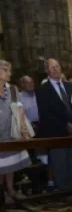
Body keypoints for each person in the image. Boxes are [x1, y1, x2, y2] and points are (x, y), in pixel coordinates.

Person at [37, 59, 72, 191]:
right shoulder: (43, 90)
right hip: (56, 132)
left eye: (57, 66)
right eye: (52, 68)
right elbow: (46, 114)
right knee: (60, 163)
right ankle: (63, 191)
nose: (56, 70)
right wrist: (65, 125)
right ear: (46, 71)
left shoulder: (70, 87)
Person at [0, 60, 32, 203]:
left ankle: (11, 189)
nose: (9, 73)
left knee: (10, 163)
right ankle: (2, 194)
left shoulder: (12, 89)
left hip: (10, 131)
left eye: (10, 70)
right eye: (6, 70)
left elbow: (19, 109)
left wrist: (23, 129)